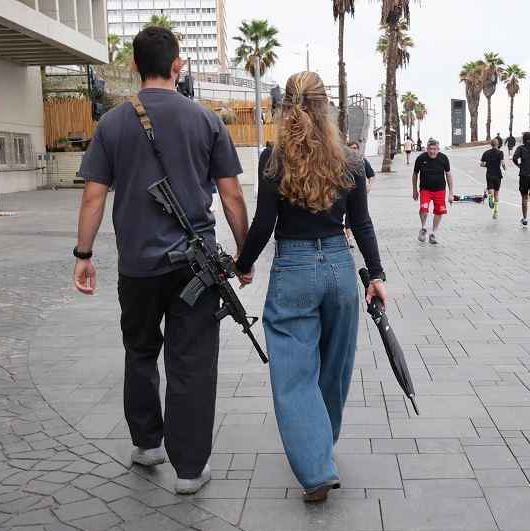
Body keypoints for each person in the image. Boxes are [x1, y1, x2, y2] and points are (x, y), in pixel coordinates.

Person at [72, 26, 250, 495]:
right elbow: (231, 195)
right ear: (178, 65)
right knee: (192, 362)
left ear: (134, 66)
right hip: (197, 268)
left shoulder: (112, 123)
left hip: (137, 266)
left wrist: (84, 254)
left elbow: (93, 197)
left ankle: (148, 444)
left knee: (140, 351)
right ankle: (189, 470)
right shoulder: (206, 119)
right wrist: (244, 254)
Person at [234, 71, 387, 502]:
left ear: (286, 107)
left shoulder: (274, 158)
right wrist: (376, 275)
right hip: (340, 267)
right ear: (327, 108)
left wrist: (243, 265)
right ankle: (321, 448)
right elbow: (362, 223)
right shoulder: (350, 160)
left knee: (294, 373)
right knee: (335, 367)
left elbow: (264, 224)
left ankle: (316, 466)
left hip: (294, 268)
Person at [412, 138, 454, 244]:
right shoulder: (421, 158)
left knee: (439, 211)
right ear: (427, 149)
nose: (432, 151)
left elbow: (449, 176)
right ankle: (423, 227)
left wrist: (451, 193)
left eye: (434, 149)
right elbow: (415, 174)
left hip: (440, 190)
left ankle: (433, 233)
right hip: (425, 189)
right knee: (423, 209)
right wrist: (415, 190)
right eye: (430, 149)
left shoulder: (443, 158)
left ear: (438, 149)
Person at [344, 139, 376, 247]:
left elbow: (371, 175)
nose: (353, 150)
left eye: (355, 148)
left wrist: (368, 186)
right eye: (351, 148)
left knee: (358, 216)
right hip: (345, 192)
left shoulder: (362, 161)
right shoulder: (342, 161)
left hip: (358, 194)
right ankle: (349, 238)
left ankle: (353, 238)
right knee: (347, 215)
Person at [480, 138, 507, 219]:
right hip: (497, 175)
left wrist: (487, 165)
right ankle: (495, 212)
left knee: (490, 191)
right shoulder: (500, 153)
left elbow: (481, 164)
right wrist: (505, 168)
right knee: (496, 194)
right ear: (497, 144)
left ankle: (489, 197)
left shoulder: (486, 153)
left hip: (489, 174)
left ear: (491, 144)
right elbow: (503, 162)